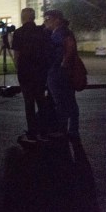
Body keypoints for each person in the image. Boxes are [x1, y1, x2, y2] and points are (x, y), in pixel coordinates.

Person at [11, 8, 53, 144]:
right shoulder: (42, 32)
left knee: (29, 103)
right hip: (40, 72)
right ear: (33, 17)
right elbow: (47, 51)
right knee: (41, 102)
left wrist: (18, 68)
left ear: (23, 17)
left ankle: (32, 133)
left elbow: (16, 55)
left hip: (25, 72)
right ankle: (44, 132)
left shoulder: (18, 33)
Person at [43, 9, 81, 141]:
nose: (45, 21)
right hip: (60, 71)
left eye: (48, 18)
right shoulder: (60, 31)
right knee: (69, 101)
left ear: (57, 19)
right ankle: (72, 130)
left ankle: (63, 130)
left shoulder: (61, 32)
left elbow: (70, 46)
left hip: (58, 72)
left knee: (61, 102)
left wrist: (63, 64)